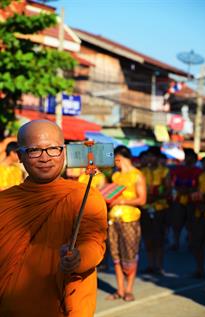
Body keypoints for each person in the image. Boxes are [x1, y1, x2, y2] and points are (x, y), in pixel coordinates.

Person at [0, 119, 107, 317]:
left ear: (64, 152)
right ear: (20, 156)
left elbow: (95, 242)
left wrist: (78, 258)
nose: (45, 158)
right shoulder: (5, 202)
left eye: (53, 149)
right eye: (34, 150)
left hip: (61, 306)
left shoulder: (83, 196)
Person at [107, 145, 146, 302]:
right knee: (115, 255)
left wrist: (122, 200)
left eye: (115, 159)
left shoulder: (137, 175)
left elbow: (142, 200)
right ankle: (120, 289)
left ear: (120, 158)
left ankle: (129, 289)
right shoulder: (116, 176)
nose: (115, 162)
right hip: (113, 219)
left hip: (130, 219)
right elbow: (110, 195)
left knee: (130, 255)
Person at [141, 147, 171, 275]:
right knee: (148, 238)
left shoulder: (164, 171)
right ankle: (150, 264)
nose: (149, 158)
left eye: (152, 156)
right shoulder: (142, 171)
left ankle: (159, 266)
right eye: (148, 156)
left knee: (159, 239)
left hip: (160, 208)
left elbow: (168, 190)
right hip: (146, 208)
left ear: (157, 158)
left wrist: (155, 196)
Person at [190, 153, 205, 278]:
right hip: (200, 214)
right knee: (197, 243)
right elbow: (196, 192)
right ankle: (200, 268)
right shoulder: (201, 176)